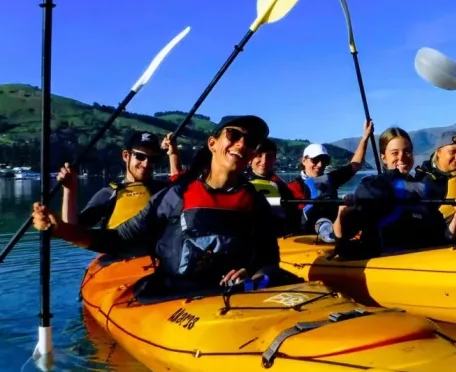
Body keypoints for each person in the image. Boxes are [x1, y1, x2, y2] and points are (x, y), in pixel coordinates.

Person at [32, 115, 295, 295]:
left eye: (250, 142)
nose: (241, 144)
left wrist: (257, 276)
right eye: (234, 135)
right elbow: (118, 241)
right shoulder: (175, 196)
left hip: (235, 299)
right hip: (178, 299)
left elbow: (270, 262)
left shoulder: (255, 203)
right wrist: (63, 230)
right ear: (213, 143)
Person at [333, 127, 456, 257]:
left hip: (423, 259)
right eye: (395, 153)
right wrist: (342, 214)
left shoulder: (422, 188)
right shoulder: (373, 187)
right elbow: (345, 238)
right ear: (383, 158)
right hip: (385, 263)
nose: (402, 157)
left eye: (407, 151)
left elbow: (444, 237)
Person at [57, 131, 178, 230]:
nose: (146, 164)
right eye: (140, 157)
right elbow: (71, 230)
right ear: (126, 156)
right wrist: (69, 189)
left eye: (152, 159)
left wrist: (173, 155)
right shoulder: (108, 195)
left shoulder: (164, 191)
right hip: (120, 257)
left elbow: (181, 189)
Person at [287, 120, 374, 233]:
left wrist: (365, 137)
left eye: (324, 161)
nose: (320, 164)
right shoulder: (293, 187)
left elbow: (355, 165)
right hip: (305, 237)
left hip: (332, 233)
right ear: (304, 160)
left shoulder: (331, 179)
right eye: (315, 160)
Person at [247, 138, 302, 232]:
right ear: (250, 158)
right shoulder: (237, 183)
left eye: (269, 156)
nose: (264, 161)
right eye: (259, 155)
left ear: (274, 159)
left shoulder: (282, 188)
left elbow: (293, 218)